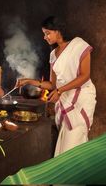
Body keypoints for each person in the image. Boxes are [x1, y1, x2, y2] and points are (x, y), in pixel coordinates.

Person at [15, 16, 96, 157]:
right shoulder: (53, 54)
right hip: (65, 101)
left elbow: (85, 76)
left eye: (47, 33)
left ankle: (73, 176)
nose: (45, 37)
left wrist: (60, 90)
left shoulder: (79, 45)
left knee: (74, 144)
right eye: (44, 34)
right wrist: (29, 81)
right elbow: (52, 84)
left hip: (81, 99)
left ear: (58, 31)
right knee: (66, 145)